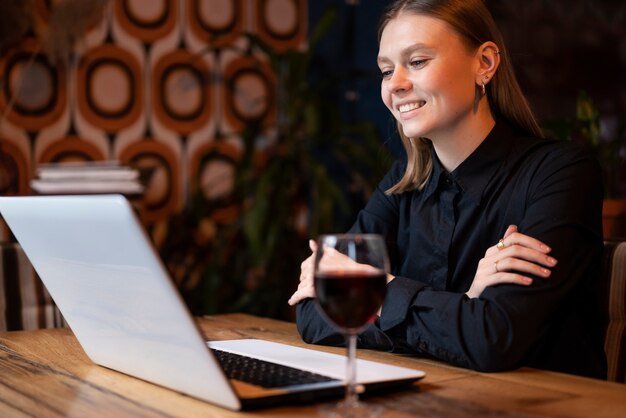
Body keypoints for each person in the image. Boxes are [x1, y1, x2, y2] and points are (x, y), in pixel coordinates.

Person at [288, 0, 607, 379]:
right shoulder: (401, 183)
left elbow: (493, 338)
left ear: (485, 63)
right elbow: (313, 315)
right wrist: (465, 305)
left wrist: (376, 291)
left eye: (418, 61)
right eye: (386, 70)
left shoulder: (560, 173)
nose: (396, 84)